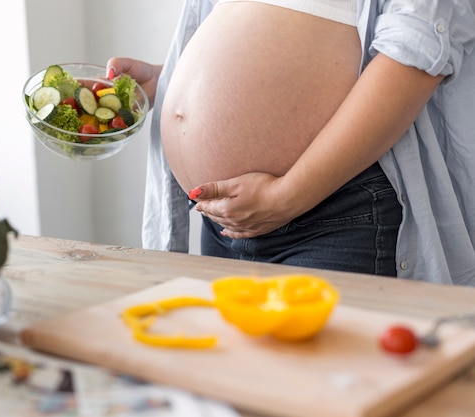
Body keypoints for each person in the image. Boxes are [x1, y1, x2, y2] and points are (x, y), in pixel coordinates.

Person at [106, 0, 475, 286]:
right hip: (221, 221)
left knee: (317, 380)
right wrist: (171, 80)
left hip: (333, 216)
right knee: (231, 377)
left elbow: (415, 55)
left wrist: (286, 196)